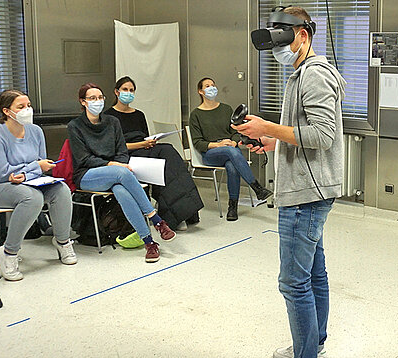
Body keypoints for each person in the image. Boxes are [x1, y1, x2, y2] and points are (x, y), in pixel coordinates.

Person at [235, 6, 345, 358]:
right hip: (309, 188)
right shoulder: (300, 73)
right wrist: (272, 140)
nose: (279, 49)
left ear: (303, 34)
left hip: (305, 195)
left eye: (284, 38)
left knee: (294, 283)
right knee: (314, 275)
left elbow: (322, 135)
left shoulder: (313, 74)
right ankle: (314, 348)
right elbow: (300, 133)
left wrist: (268, 126)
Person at [0, 89, 77, 281]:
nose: (27, 110)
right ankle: (8, 253)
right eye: (21, 107)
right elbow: (3, 174)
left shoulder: (35, 131)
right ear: (7, 111)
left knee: (61, 190)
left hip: (26, 182)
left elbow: (41, 166)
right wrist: (33, 168)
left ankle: (62, 241)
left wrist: (27, 171)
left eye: (28, 105)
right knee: (32, 198)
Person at [67, 83, 176, 263]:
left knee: (121, 189)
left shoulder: (112, 122)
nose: (97, 101)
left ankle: (149, 243)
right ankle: (156, 219)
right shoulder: (75, 126)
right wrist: (112, 164)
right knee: (121, 174)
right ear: (83, 102)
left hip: (115, 172)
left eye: (100, 98)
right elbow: (83, 159)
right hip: (87, 175)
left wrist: (117, 164)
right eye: (92, 98)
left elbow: (122, 152)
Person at [104, 76, 204, 230]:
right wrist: (142, 144)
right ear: (116, 92)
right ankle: (175, 215)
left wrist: (149, 142)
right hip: (126, 156)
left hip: (144, 150)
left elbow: (145, 137)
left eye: (131, 90)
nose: (128, 93)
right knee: (163, 163)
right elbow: (114, 147)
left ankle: (182, 212)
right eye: (125, 90)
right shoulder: (109, 117)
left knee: (168, 152)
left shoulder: (139, 115)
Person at [189, 77, 273, 221]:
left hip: (229, 150)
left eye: (213, 85)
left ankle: (232, 207)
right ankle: (257, 187)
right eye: (207, 86)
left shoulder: (226, 109)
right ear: (200, 91)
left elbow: (235, 133)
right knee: (230, 152)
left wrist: (233, 143)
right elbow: (198, 143)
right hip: (210, 154)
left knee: (232, 165)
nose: (211, 88)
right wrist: (219, 145)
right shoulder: (196, 114)